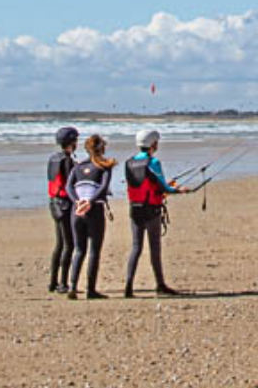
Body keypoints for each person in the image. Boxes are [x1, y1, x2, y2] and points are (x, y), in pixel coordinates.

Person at [123, 129, 187, 297]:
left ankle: (128, 287)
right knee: (154, 247)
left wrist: (166, 188)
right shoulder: (153, 162)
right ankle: (160, 284)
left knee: (136, 247)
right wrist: (178, 190)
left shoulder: (128, 162)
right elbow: (163, 187)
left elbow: (146, 184)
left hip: (135, 209)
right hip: (151, 210)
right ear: (153, 144)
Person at [65, 133, 117, 299]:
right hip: (94, 210)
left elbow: (68, 187)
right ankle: (90, 289)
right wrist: (90, 202)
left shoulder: (78, 167)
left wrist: (77, 202)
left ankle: (72, 286)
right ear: (102, 148)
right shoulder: (104, 167)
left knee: (79, 250)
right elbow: (103, 187)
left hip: (77, 211)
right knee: (94, 250)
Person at [46, 126, 78, 293]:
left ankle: (53, 282)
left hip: (54, 203)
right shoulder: (67, 161)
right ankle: (63, 283)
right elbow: (70, 183)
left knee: (59, 244)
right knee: (69, 244)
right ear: (71, 143)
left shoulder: (53, 159)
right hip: (65, 204)